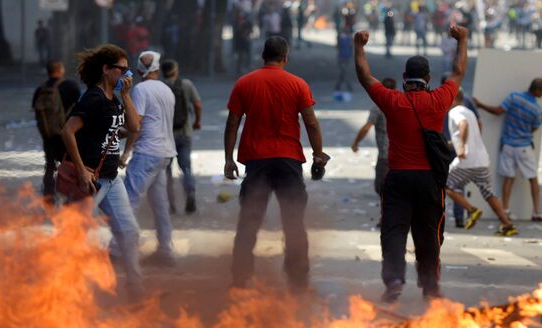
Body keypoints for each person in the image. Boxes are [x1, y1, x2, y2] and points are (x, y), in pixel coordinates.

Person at [354, 25, 469, 303]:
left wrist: (359, 45)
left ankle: (394, 281)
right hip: (429, 180)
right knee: (428, 233)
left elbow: (365, 76)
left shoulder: (392, 100)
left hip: (398, 179)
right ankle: (430, 286)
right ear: (428, 78)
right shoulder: (440, 99)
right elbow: (458, 71)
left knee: (393, 231)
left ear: (405, 78)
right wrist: (462, 40)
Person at [223, 36, 329, 291]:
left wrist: (228, 159)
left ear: (263, 55)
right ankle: (298, 279)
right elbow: (311, 122)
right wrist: (318, 155)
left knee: (248, 221)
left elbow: (232, 123)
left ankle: (241, 278)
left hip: (257, 162)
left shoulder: (245, 83)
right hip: (288, 162)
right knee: (293, 222)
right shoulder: (297, 84)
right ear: (285, 57)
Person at [60, 44, 143, 301]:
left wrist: (127, 96)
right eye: (122, 70)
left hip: (110, 178)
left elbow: (134, 127)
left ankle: (135, 290)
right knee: (76, 236)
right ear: (106, 69)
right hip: (89, 180)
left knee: (129, 232)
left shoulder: (115, 98)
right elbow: (67, 131)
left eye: (130, 71)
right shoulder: (93, 98)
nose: (127, 76)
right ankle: (64, 291)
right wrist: (83, 173)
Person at [119, 51, 178, 268]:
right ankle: (165, 251)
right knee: (159, 205)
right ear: (157, 69)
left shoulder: (141, 90)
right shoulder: (167, 91)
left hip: (146, 153)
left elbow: (136, 125)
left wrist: (126, 151)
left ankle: (119, 251)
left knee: (127, 202)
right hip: (164, 154)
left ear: (136, 71)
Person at [473, 78, 542, 222]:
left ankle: (506, 209)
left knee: (508, 178)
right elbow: (533, 129)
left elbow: (497, 111)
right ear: (537, 90)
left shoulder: (514, 97)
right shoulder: (537, 110)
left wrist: (480, 105)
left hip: (507, 145)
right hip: (523, 147)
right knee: (533, 179)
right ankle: (536, 211)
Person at [446, 89, 518, 236]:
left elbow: (463, 124)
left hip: (466, 160)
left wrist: (461, 147)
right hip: (482, 160)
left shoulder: (455, 112)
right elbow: (476, 126)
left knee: (446, 184)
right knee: (489, 193)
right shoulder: (469, 112)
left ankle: (472, 210)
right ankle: (507, 225)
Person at [31, 60, 81, 204]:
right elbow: (80, 107)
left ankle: (48, 195)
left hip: (48, 135)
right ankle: (69, 195)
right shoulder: (69, 86)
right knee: (70, 164)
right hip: (67, 134)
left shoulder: (40, 89)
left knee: (50, 164)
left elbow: (37, 113)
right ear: (61, 70)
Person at [440, 73, 482, 228]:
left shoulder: (437, 98)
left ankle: (447, 217)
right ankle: (458, 217)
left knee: (442, 183)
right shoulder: (465, 100)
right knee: (456, 184)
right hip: (453, 147)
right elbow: (477, 122)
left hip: (444, 147)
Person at [161, 59, 202, 214]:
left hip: (165, 136)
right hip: (185, 133)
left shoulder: (160, 87)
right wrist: (197, 122)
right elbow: (198, 105)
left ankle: (170, 203)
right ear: (175, 71)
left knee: (166, 170)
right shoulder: (186, 84)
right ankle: (190, 192)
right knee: (186, 167)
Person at [350, 77, 396, 211]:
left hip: (385, 155)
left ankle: (387, 217)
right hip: (399, 153)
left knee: (381, 187)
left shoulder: (378, 107)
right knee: (391, 188)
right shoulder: (399, 103)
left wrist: (355, 143)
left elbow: (366, 127)